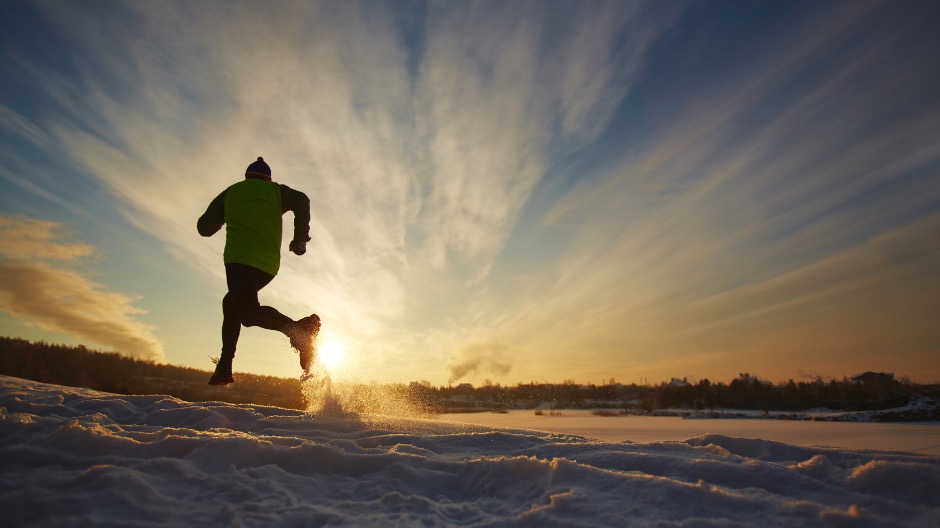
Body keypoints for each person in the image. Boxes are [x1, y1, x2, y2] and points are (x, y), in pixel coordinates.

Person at [197, 156, 320, 385]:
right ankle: (224, 366)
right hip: (268, 266)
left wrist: (221, 219)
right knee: (232, 302)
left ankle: (298, 331)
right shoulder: (276, 193)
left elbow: (204, 228)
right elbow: (302, 200)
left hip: (239, 260)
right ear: (268, 179)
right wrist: (300, 238)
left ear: (247, 177)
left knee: (248, 313)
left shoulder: (232, 192)